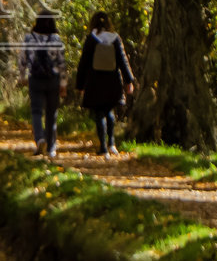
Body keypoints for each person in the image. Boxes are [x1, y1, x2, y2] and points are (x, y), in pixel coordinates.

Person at [75, 10, 135, 157]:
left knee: (99, 113)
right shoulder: (115, 39)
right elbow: (123, 61)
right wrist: (129, 81)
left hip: (95, 81)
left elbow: (83, 63)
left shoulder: (91, 39)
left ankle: (102, 146)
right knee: (109, 111)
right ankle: (112, 144)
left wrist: (80, 85)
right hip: (113, 80)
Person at [18, 12, 66, 157]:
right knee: (52, 114)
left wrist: (22, 77)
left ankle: (39, 139)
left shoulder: (29, 38)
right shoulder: (56, 39)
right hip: (53, 80)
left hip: (35, 79)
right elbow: (62, 63)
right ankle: (51, 148)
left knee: (36, 111)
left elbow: (22, 60)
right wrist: (63, 84)